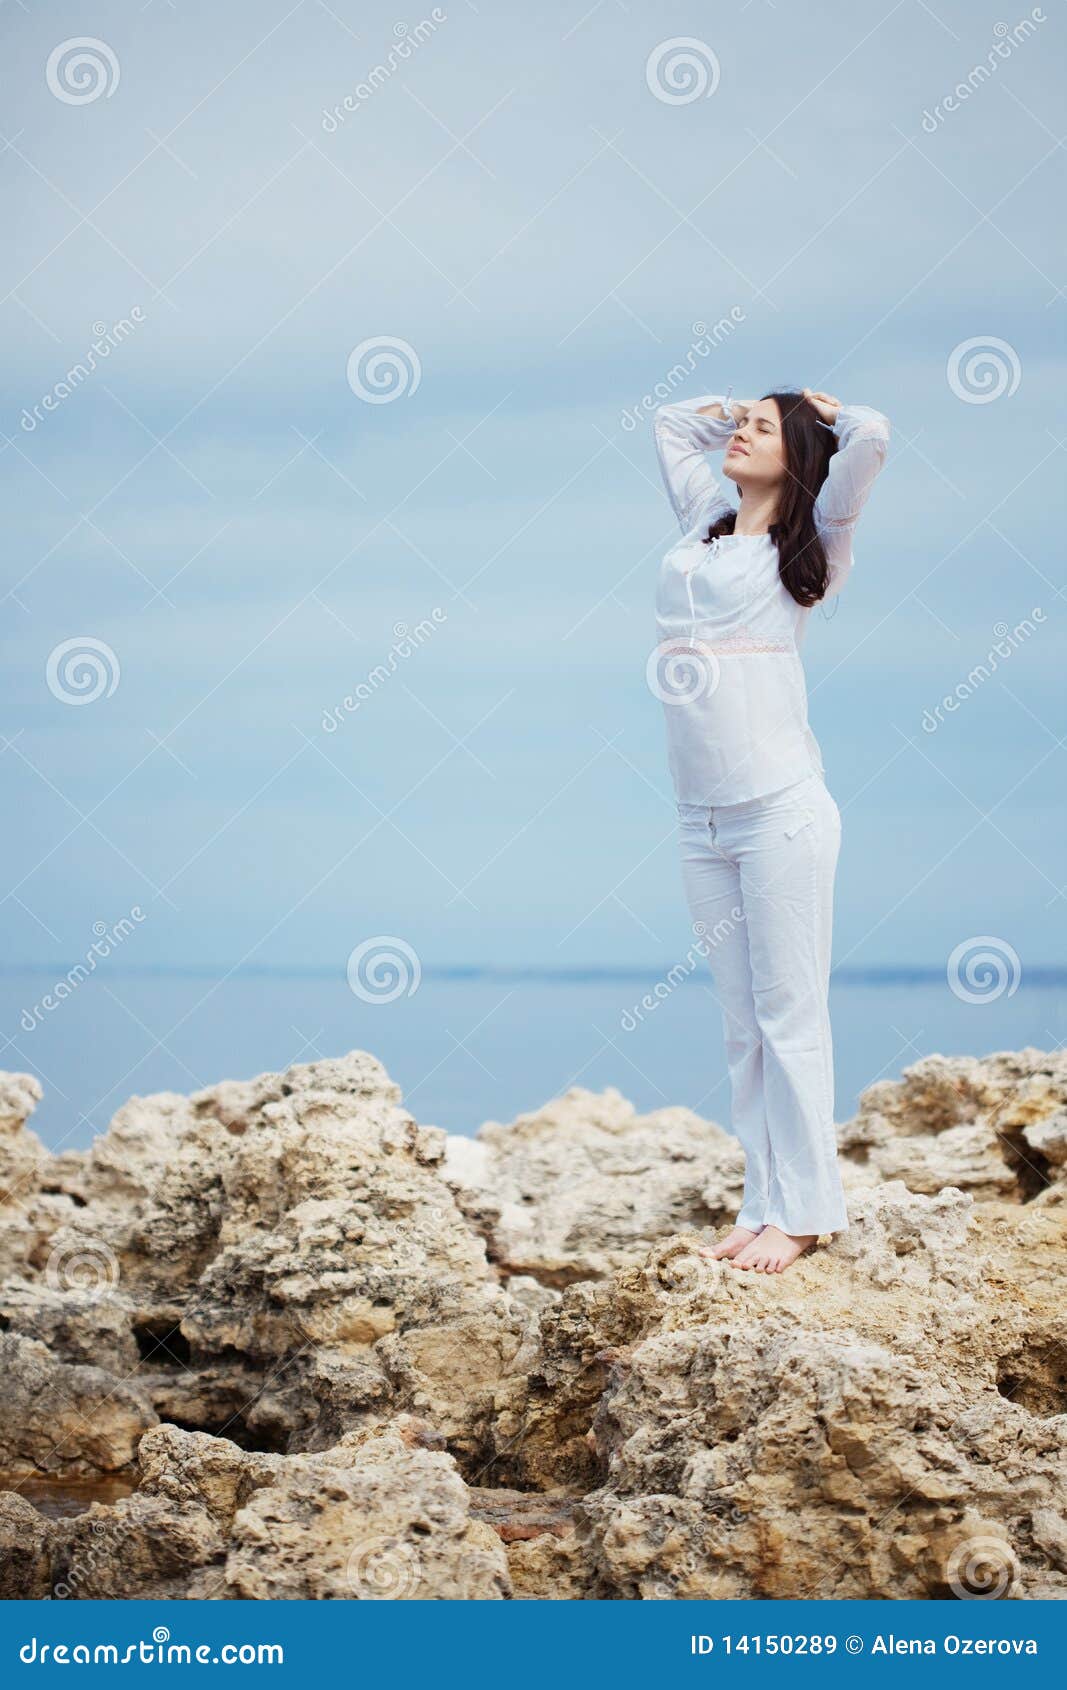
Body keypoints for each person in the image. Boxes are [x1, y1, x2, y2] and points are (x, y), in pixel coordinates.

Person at [652, 386, 890, 1272]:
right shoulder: (705, 522)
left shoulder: (815, 543)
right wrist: (738, 408)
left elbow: (872, 443)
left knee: (790, 1016)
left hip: (779, 811)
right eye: (740, 423)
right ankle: (762, 1203)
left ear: (796, 454)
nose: (740, 433)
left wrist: (831, 411)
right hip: (699, 816)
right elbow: (671, 424)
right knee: (740, 1025)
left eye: (761, 427)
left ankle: (806, 1212)